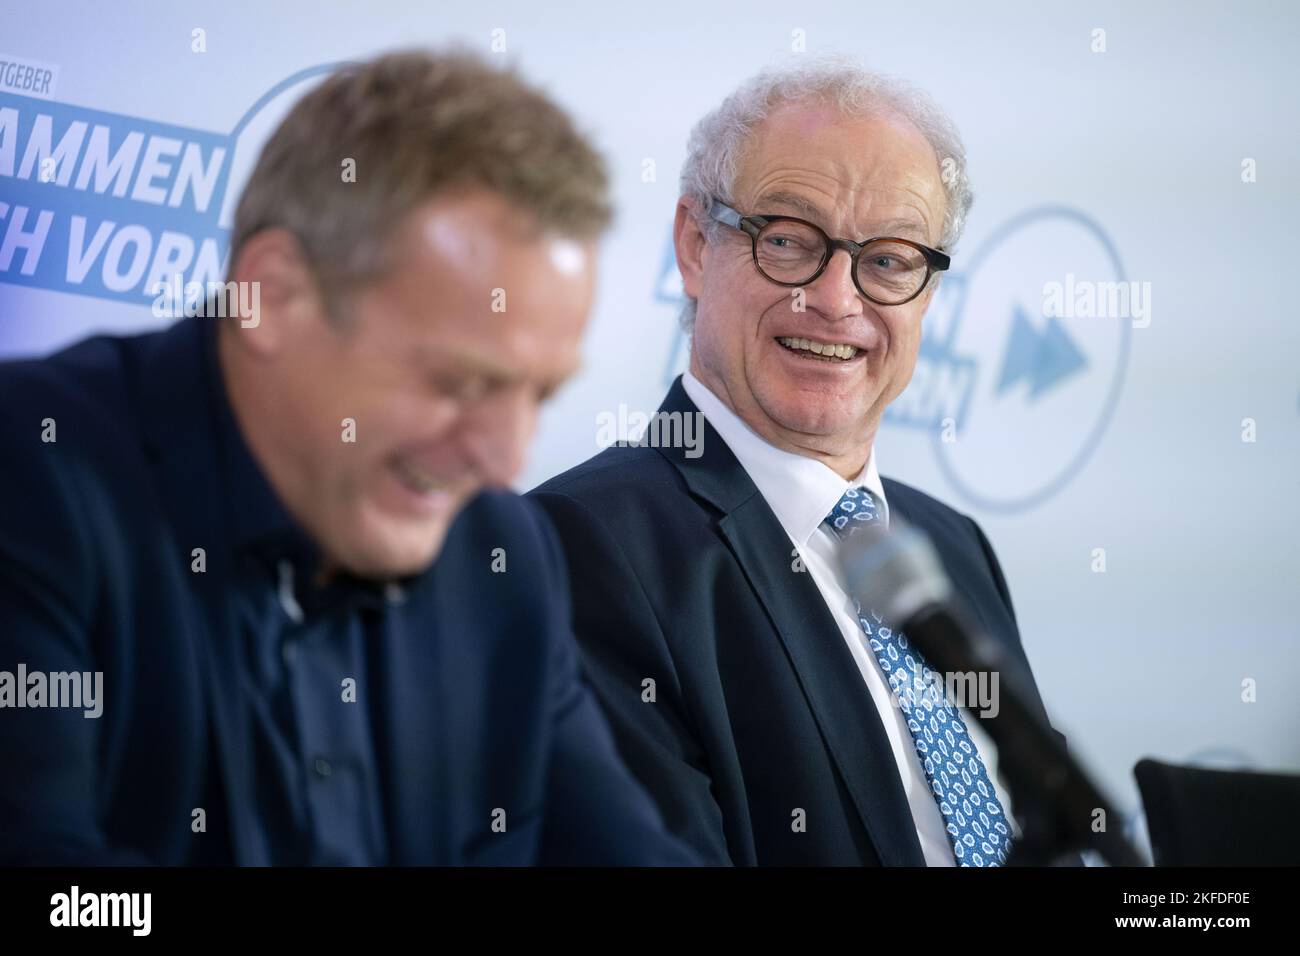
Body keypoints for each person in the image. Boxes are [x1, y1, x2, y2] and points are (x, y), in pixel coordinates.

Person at [0, 49, 694, 866]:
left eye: (539, 396)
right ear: (273, 296)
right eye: (462, 381)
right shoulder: (30, 471)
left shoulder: (504, 553)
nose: (505, 460)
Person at [530, 59, 1072, 866]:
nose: (837, 299)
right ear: (694, 245)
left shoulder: (952, 545)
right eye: (788, 241)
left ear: (928, 293)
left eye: (889, 259)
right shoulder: (580, 547)